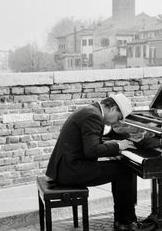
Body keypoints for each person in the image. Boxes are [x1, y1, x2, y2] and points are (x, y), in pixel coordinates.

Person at [45, 93, 154, 231]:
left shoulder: (91, 110)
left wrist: (112, 145)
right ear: (113, 109)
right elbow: (92, 150)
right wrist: (118, 146)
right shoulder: (94, 116)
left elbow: (88, 143)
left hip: (66, 167)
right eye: (119, 118)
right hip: (71, 171)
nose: (117, 122)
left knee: (120, 167)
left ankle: (123, 219)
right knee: (125, 170)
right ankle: (126, 223)